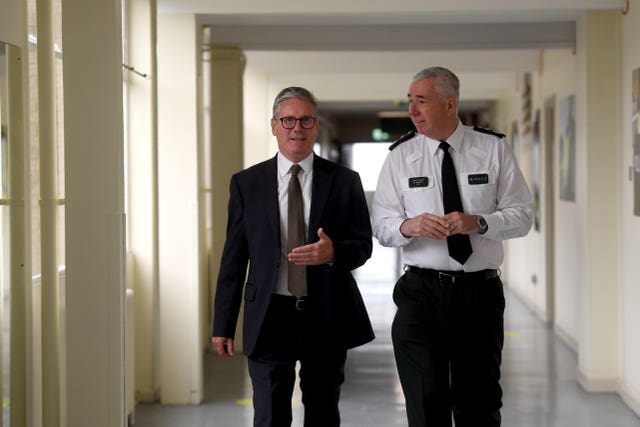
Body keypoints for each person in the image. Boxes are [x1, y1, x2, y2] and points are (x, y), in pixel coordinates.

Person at [371, 67, 534, 427]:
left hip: (479, 296)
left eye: (422, 101)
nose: (412, 110)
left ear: (450, 103)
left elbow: (523, 215)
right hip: (420, 295)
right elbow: (381, 227)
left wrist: (481, 222)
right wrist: (408, 226)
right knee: (426, 403)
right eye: (410, 101)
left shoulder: (492, 148)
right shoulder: (400, 156)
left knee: (479, 403)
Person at [211, 86, 374, 427]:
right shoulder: (246, 183)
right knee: (269, 414)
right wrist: (223, 324)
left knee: (323, 410)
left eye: (305, 120)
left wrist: (333, 253)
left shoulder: (345, 181)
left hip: (325, 312)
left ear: (316, 126)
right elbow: (234, 257)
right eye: (288, 120)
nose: (296, 128)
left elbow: (362, 246)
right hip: (269, 314)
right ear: (274, 126)